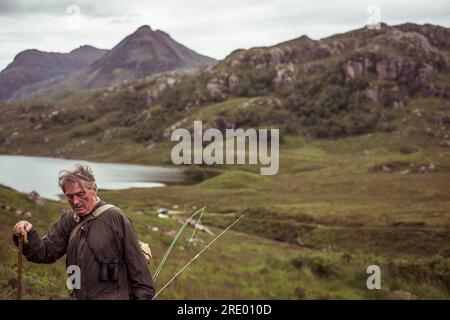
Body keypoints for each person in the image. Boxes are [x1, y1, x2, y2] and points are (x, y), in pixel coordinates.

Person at [12, 164, 155, 300]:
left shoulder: (115, 218)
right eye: (69, 196)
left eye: (81, 194)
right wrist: (27, 235)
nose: (75, 201)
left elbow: (140, 274)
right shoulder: (68, 220)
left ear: (94, 190)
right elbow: (44, 253)